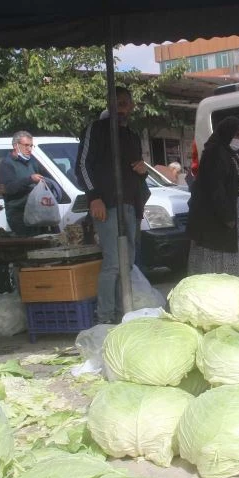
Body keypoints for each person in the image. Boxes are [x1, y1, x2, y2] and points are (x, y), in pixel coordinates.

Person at [76, 87, 149, 323]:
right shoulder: (95, 130)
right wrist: (94, 197)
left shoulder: (132, 136)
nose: (121, 107)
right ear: (109, 104)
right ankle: (105, 316)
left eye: (125, 103)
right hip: (106, 206)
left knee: (127, 264)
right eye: (116, 103)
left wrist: (143, 171)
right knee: (113, 264)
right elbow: (82, 167)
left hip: (131, 206)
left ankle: (122, 313)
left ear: (132, 106)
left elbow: (136, 172)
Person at [186, 116, 239, 277]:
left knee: (238, 252)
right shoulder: (215, 153)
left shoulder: (233, 154)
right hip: (221, 215)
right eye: (236, 135)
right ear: (226, 133)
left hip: (238, 211)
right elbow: (214, 188)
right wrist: (227, 216)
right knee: (218, 255)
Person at [0, 131, 53, 236]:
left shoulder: (32, 161)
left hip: (37, 211)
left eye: (31, 146)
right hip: (19, 214)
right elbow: (9, 188)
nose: (29, 149)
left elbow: (46, 177)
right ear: (15, 145)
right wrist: (30, 179)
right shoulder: (7, 164)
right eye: (26, 145)